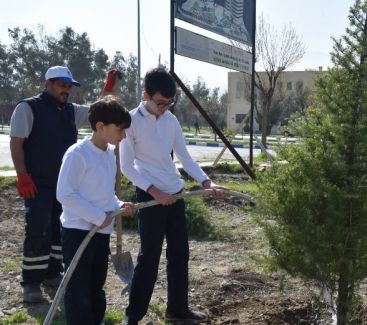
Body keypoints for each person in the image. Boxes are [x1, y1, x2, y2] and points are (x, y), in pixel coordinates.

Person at [119, 67, 225, 324]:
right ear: (146, 95)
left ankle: (177, 310)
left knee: (179, 254)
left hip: (175, 195)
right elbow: (126, 166)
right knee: (149, 258)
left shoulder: (170, 121)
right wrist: (154, 191)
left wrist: (205, 181)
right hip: (150, 196)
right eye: (159, 103)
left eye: (169, 103)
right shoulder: (130, 122)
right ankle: (133, 316)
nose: (164, 108)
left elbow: (184, 157)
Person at [9, 66, 119, 302]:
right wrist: (22, 175)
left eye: (69, 86)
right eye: (62, 85)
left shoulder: (71, 111)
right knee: (38, 229)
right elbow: (17, 142)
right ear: (47, 84)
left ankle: (52, 273)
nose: (66, 90)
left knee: (59, 231)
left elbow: (98, 112)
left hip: (66, 184)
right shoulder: (28, 108)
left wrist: (108, 89)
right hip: (37, 183)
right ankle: (31, 282)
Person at [56, 96, 135, 325]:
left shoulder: (109, 153)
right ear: (100, 127)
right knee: (78, 288)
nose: (124, 135)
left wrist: (117, 205)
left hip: (101, 232)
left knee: (95, 285)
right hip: (78, 232)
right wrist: (98, 216)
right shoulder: (78, 154)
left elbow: (103, 193)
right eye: (120, 130)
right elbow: (65, 194)